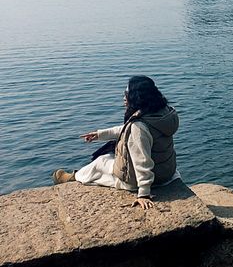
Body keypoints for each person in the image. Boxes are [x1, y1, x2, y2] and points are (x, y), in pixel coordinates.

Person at [53, 76, 180, 210]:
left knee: (101, 162)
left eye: (127, 94)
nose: (124, 97)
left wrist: (143, 193)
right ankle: (78, 175)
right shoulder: (163, 113)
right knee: (109, 160)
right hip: (167, 172)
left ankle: (73, 177)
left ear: (137, 97)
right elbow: (128, 131)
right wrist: (100, 134)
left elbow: (142, 161)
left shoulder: (139, 126)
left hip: (151, 181)